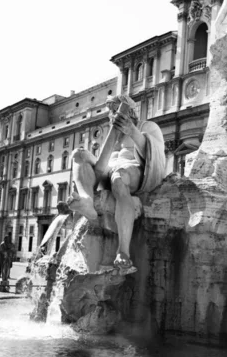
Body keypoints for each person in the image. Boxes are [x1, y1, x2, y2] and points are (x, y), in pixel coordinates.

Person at [67, 94, 165, 273]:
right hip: (108, 171)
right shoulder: (112, 135)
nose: (112, 114)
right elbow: (102, 164)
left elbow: (156, 155)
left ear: (130, 111)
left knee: (118, 178)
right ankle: (86, 200)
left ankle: (123, 252)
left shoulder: (148, 126)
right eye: (110, 112)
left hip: (133, 172)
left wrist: (132, 131)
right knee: (78, 154)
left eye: (115, 110)